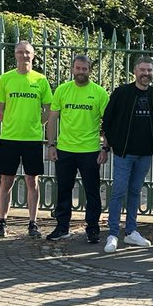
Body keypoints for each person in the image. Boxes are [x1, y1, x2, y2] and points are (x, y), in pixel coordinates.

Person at [102, 56, 153, 252]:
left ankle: (131, 232)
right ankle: (112, 234)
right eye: (142, 70)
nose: (146, 74)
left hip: (145, 154)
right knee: (119, 192)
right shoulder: (122, 92)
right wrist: (109, 144)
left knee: (135, 191)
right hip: (124, 153)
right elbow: (108, 119)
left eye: (149, 71)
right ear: (135, 71)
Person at [46, 54, 108, 244]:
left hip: (90, 151)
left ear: (90, 70)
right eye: (78, 68)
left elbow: (107, 123)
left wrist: (105, 147)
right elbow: (52, 119)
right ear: (72, 69)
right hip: (65, 149)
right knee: (63, 189)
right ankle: (62, 227)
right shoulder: (62, 90)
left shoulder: (99, 93)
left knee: (92, 191)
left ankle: (93, 229)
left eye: (84, 69)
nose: (81, 72)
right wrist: (51, 145)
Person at [0, 40, 52, 240]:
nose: (24, 56)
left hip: (32, 139)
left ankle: (33, 222)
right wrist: (10, 122)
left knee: (32, 181)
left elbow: (48, 109)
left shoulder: (41, 80)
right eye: (20, 52)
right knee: (5, 181)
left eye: (27, 52)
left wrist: (36, 124)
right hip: (9, 137)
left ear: (33, 55)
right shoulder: (5, 79)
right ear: (15, 55)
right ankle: (2, 221)